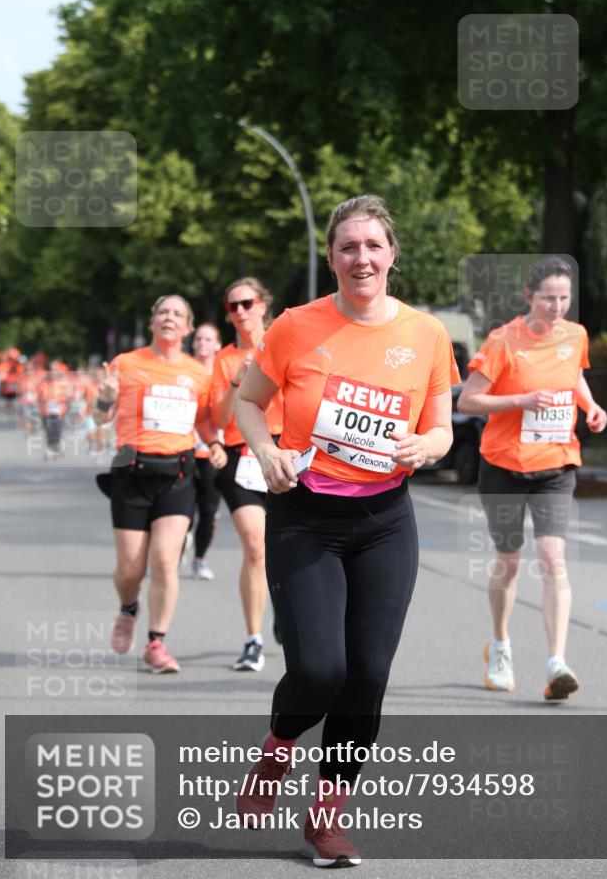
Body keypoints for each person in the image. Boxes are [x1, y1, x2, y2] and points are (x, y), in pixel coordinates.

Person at [234, 195, 457, 867]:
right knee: (319, 669)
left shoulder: (425, 335)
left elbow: (441, 424)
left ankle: (325, 820)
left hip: (385, 521)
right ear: (330, 257)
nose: (360, 257)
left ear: (391, 254)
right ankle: (278, 748)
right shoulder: (295, 327)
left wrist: (430, 447)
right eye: (347, 247)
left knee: (367, 677)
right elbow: (248, 401)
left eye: (372, 245)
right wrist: (265, 451)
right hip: (306, 517)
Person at [457, 257, 607, 700]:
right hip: (504, 466)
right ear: (529, 297)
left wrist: (590, 406)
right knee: (509, 562)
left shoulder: (575, 335)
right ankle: (500, 646)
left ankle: (556, 662)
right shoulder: (504, 340)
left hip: (557, 465)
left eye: (564, 298)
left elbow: (574, 377)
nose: (557, 307)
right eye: (548, 298)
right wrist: (521, 399)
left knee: (553, 560)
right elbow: (468, 401)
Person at [93, 294, 221, 674]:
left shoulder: (199, 373)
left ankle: (156, 643)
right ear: (153, 322)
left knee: (165, 560)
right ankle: (128, 608)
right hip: (130, 471)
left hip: (178, 475)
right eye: (163, 312)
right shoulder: (127, 364)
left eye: (178, 314)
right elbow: (101, 419)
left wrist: (213, 443)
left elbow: (202, 420)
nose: (169, 318)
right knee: (131, 569)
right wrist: (105, 399)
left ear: (187, 327)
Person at [210, 278, 284, 671]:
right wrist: (238, 380)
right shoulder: (223, 360)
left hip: (286, 454)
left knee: (289, 549)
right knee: (256, 545)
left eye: (246, 303)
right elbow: (217, 419)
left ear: (262, 305)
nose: (239, 311)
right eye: (232, 306)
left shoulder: (285, 343)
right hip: (243, 457)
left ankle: (286, 613)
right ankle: (253, 638)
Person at [189, 323, 227, 579]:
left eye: (208, 339)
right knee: (183, 509)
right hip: (185, 450)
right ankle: (177, 543)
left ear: (217, 345)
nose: (203, 343)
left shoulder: (223, 376)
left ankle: (199, 559)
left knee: (209, 510)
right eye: (199, 339)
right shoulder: (183, 371)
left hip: (214, 453)